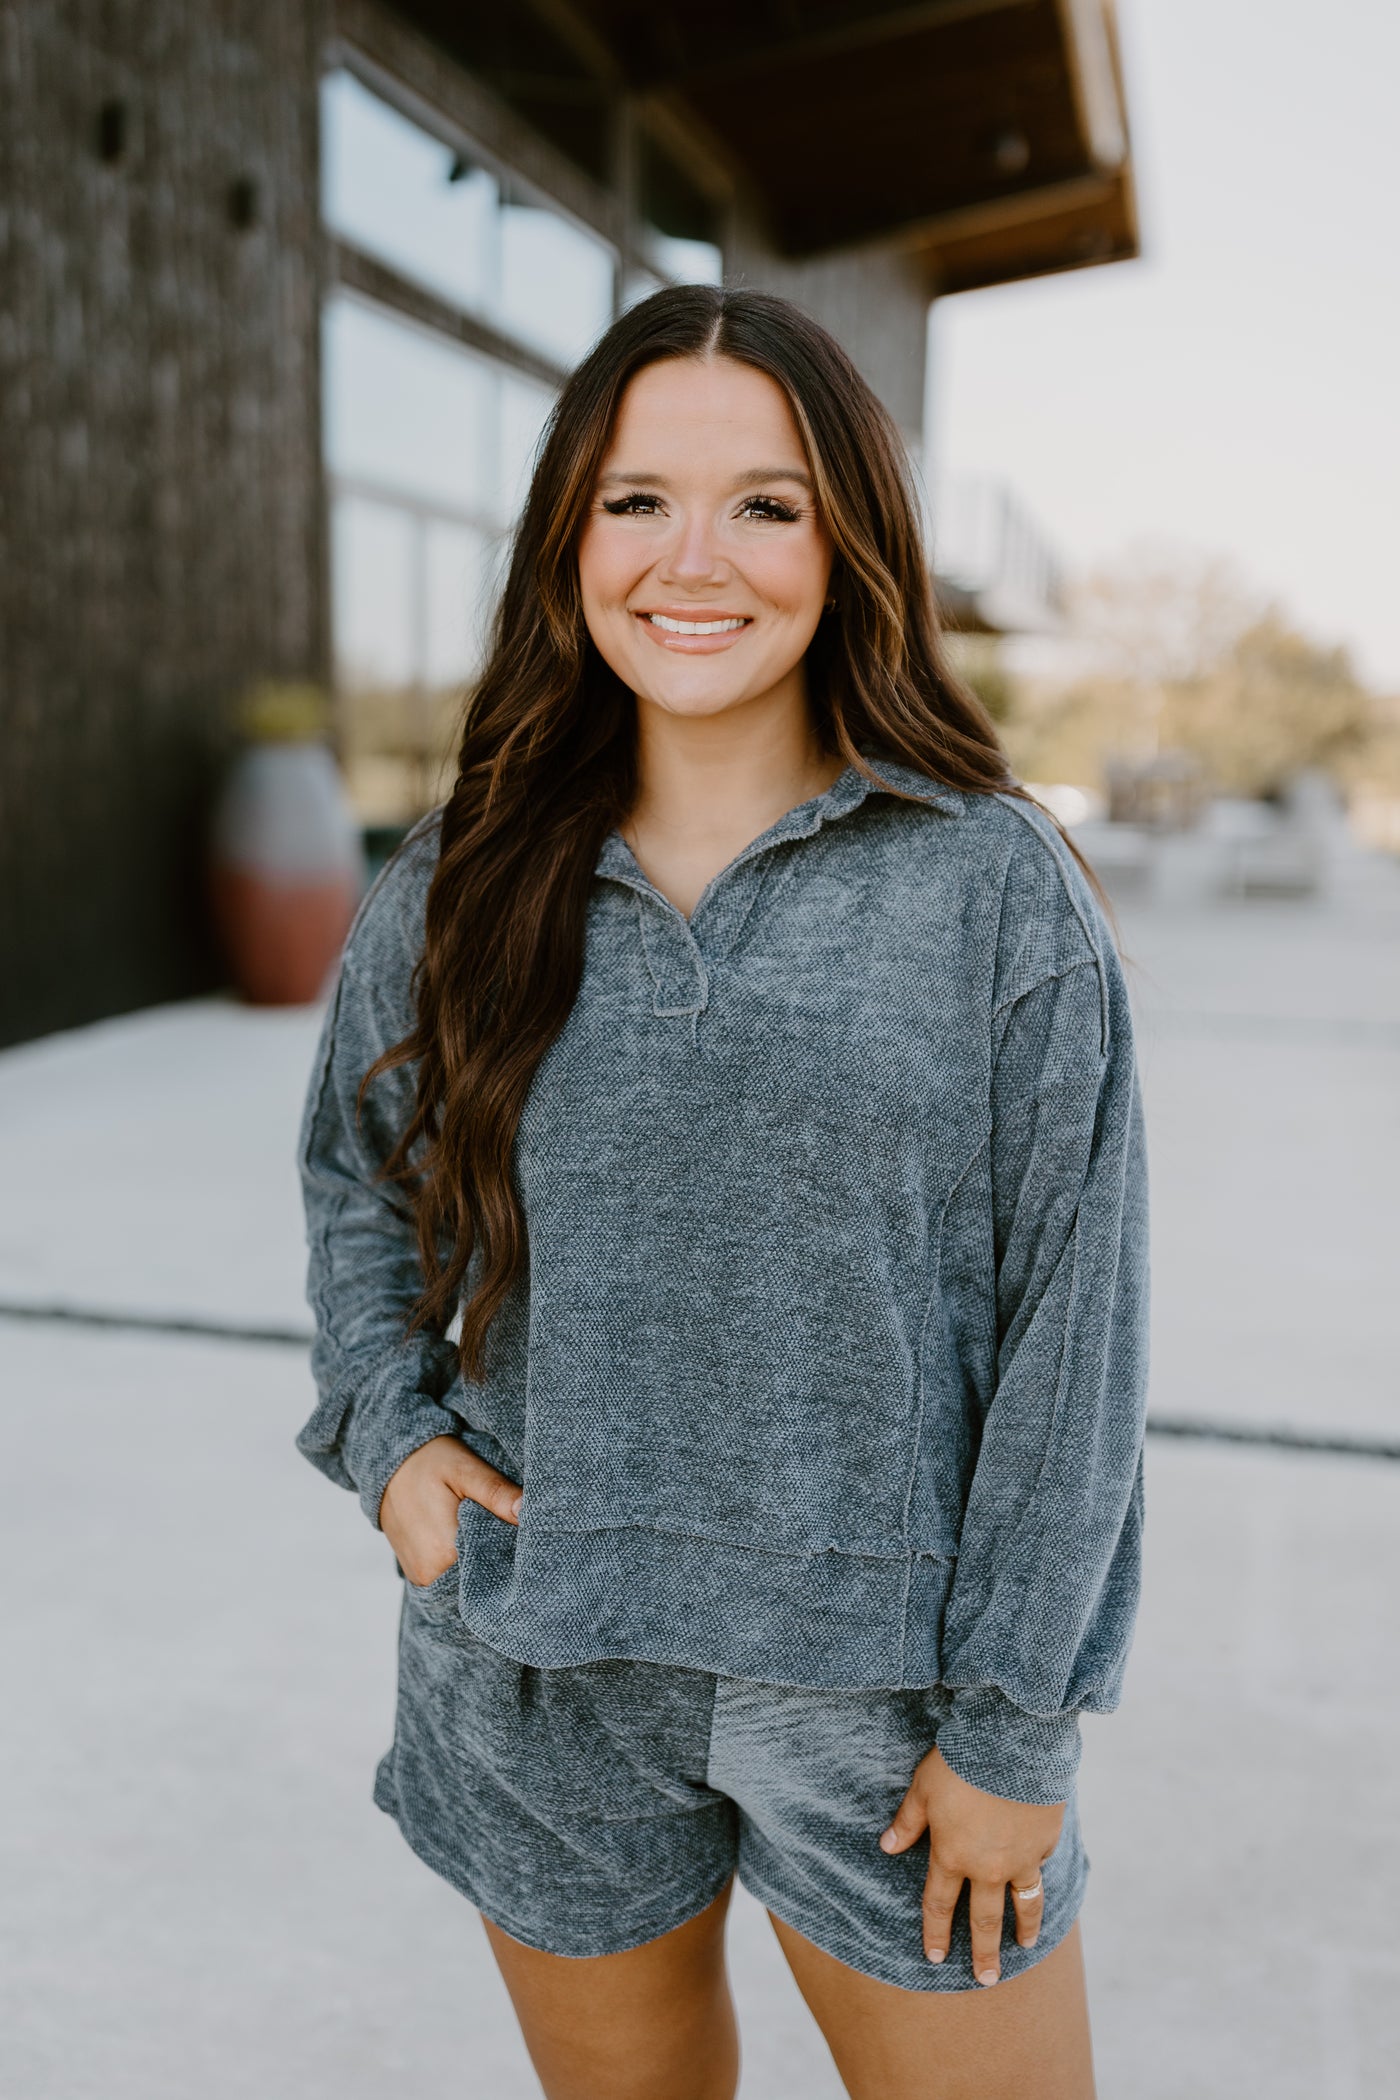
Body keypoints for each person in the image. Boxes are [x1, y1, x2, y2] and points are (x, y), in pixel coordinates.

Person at [296, 285, 1148, 2100]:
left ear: (849, 540)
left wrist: (1017, 1727)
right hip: (539, 1656)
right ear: (569, 542)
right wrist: (391, 1440)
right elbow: (359, 1184)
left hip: (890, 1700)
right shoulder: (467, 874)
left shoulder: (990, 886)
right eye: (636, 502)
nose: (698, 559)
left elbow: (1083, 1325)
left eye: (766, 503)